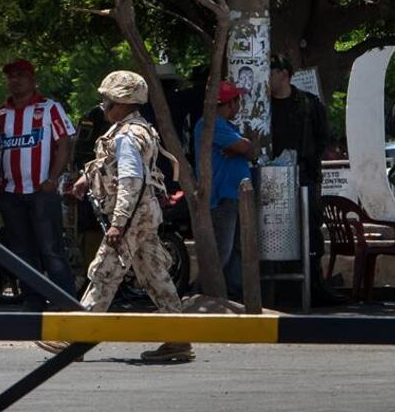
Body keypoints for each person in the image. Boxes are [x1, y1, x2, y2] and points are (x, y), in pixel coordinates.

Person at [37, 71, 193, 362]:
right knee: (155, 275)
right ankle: (178, 338)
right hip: (143, 213)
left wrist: (119, 224)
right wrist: (86, 179)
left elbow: (131, 182)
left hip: (132, 215)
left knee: (103, 274)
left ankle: (76, 339)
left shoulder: (127, 136)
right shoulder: (133, 129)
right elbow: (112, 166)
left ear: (121, 103)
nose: (103, 105)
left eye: (107, 100)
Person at [0, 59, 76, 311]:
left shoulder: (50, 109)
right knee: (22, 251)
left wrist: (52, 178)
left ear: (32, 79)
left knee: (51, 249)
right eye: (11, 76)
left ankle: (65, 302)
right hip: (11, 194)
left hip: (42, 192)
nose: (15, 80)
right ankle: (33, 300)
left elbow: (64, 144)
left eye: (21, 75)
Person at [269, 54, 341, 305]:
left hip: (305, 178)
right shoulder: (262, 106)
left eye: (271, 70)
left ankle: (314, 286)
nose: (267, 76)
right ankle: (277, 291)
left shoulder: (308, 104)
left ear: (284, 74)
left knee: (310, 232)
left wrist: (308, 161)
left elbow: (323, 138)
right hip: (272, 181)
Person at [194, 80, 251, 299]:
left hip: (233, 196)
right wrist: (241, 147)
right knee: (221, 253)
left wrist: (242, 147)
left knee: (235, 251)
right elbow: (245, 146)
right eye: (237, 100)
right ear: (230, 103)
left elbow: (248, 148)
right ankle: (202, 295)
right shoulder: (211, 124)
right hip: (221, 198)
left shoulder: (226, 126)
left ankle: (232, 296)